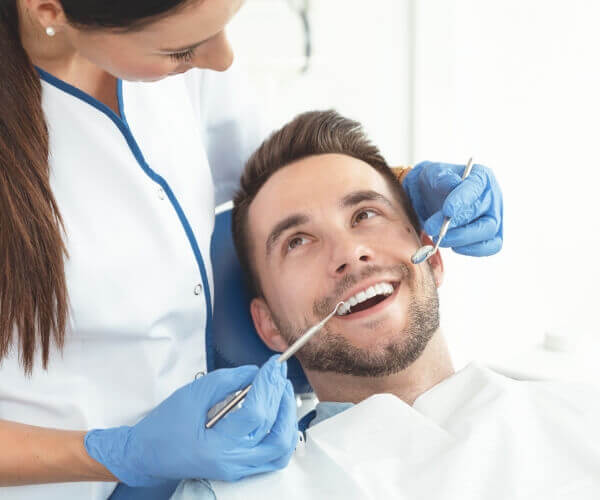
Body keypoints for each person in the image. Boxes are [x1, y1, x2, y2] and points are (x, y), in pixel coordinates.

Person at [0, 1, 503, 499]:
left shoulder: (559, 417)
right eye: (182, 49)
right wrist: (124, 453)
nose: (223, 60)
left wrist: (399, 187)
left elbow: (277, 187)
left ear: (431, 256)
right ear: (48, 9)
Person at [173, 110, 599, 499]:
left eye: (364, 215)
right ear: (268, 325)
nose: (348, 252)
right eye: (298, 241)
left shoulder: (580, 416)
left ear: (432, 256)